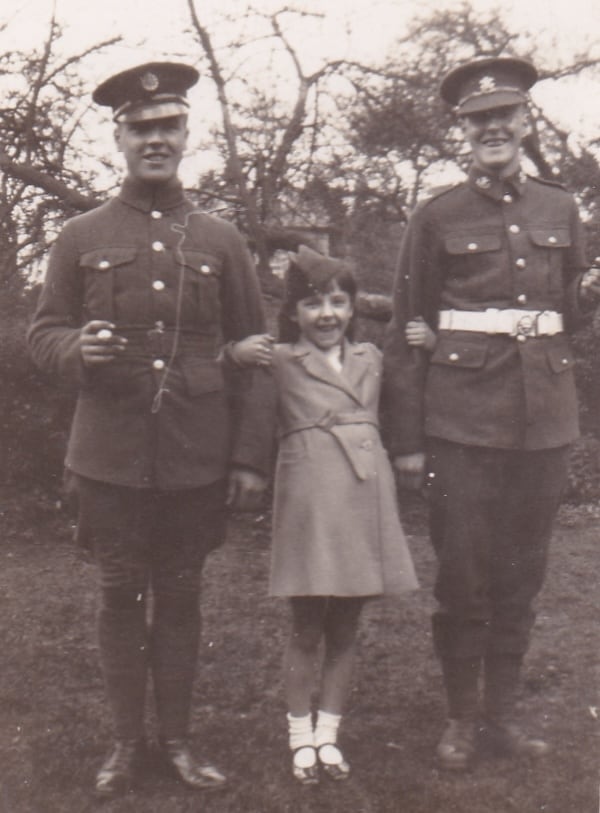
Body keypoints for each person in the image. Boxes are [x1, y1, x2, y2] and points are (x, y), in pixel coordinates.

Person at [28, 61, 272, 798]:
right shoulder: (80, 234)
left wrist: (249, 459)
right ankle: (126, 743)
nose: (156, 139)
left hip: (196, 455)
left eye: (168, 126)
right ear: (119, 137)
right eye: (142, 128)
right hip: (108, 455)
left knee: (184, 594)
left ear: (186, 132)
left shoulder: (222, 238)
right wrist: (78, 350)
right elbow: (42, 333)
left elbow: (256, 354)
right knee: (117, 592)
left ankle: (179, 741)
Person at [383, 56, 600, 771]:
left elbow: (569, 315)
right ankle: (459, 716)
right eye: (479, 120)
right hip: (461, 424)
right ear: (461, 131)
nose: (493, 129)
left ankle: (501, 715)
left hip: (543, 421)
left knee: (523, 574)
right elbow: (407, 331)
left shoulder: (561, 207)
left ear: (524, 120)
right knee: (464, 575)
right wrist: (409, 442)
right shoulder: (436, 216)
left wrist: (589, 296)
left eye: (504, 115)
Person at [237, 245, 419, 784]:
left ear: (352, 308)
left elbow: (410, 389)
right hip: (311, 494)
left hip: (365, 491)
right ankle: (300, 736)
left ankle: (328, 735)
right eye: (314, 304)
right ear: (293, 313)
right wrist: (248, 468)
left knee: (347, 623)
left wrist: (425, 337)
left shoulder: (372, 358)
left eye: (339, 302)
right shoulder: (281, 361)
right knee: (307, 623)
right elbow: (254, 419)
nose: (327, 315)